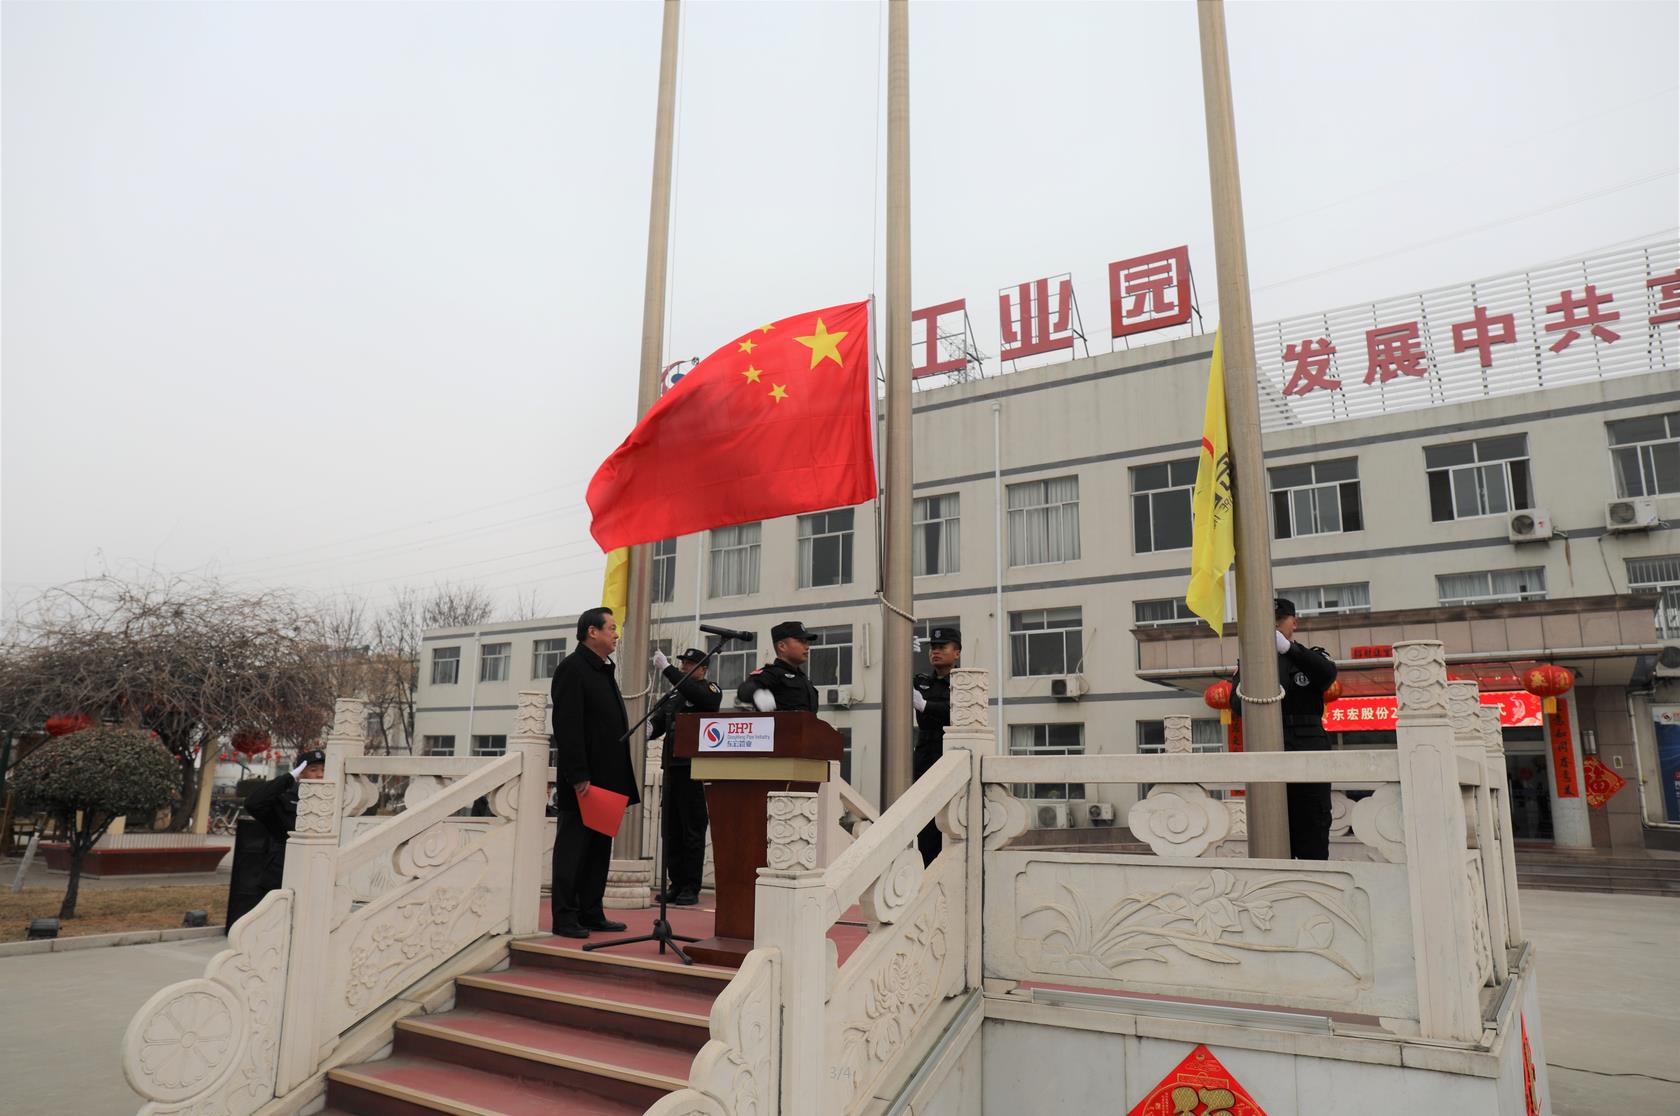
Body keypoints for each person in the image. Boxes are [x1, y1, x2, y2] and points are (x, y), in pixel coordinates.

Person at [549, 606, 640, 938]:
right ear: (592, 632)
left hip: (608, 777)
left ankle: (591, 911)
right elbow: (567, 725)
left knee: (598, 850)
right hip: (584, 780)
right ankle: (565, 917)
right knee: (573, 849)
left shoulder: (602, 669)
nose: (616, 634)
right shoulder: (572, 669)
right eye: (611, 628)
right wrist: (578, 773)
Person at [648, 647, 722, 905]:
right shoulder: (675, 695)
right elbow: (659, 722)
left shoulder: (709, 690)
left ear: (703, 670)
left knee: (692, 830)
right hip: (672, 768)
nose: (683, 668)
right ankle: (676, 884)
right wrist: (648, 728)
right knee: (672, 831)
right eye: (682, 665)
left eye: (689, 665)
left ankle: (691, 886)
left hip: (695, 769)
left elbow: (697, 695)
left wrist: (667, 670)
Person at [1268, 597, 1339, 859]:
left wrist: (1289, 649)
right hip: (1271, 745)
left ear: (1293, 623)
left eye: (1279, 620)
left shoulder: (1310, 657)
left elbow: (1327, 674)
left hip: (1309, 746)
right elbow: (1236, 704)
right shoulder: (1253, 664)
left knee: (1313, 818)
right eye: (1268, 622)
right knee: (1273, 822)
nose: (1274, 627)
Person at [229, 747, 325, 928]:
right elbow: (253, 803)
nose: (320, 775)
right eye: (313, 770)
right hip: (282, 869)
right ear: (301, 773)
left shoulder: (334, 800)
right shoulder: (285, 798)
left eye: (323, 770)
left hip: (318, 868)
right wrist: (289, 777)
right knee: (274, 922)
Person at [911, 627, 961, 866]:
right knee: (925, 819)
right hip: (924, 755)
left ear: (957, 653)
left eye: (942, 647)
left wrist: (926, 707)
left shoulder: (962, 683)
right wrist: (904, 658)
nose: (935, 651)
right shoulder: (922, 681)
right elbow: (896, 685)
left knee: (950, 817)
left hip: (949, 755)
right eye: (932, 647)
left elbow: (957, 712)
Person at [736, 620, 821, 713]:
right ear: (782, 646)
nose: (807, 647)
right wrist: (757, 694)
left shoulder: (803, 678)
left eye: (807, 642)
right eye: (801, 641)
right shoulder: (772, 674)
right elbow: (745, 689)